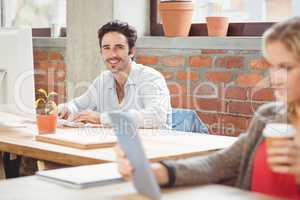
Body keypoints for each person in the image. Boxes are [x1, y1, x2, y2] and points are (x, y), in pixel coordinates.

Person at [115, 17, 300, 199]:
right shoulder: (268, 117)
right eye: (272, 67)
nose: (275, 78)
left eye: (286, 67)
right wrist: (159, 172)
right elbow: (221, 164)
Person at [58, 20, 171, 129]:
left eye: (119, 47)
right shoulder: (103, 80)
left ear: (131, 51)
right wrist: (67, 109)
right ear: (101, 52)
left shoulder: (150, 77)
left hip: (155, 145)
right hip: (115, 144)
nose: (112, 54)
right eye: (106, 48)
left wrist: (102, 118)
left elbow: (156, 116)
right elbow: (77, 105)